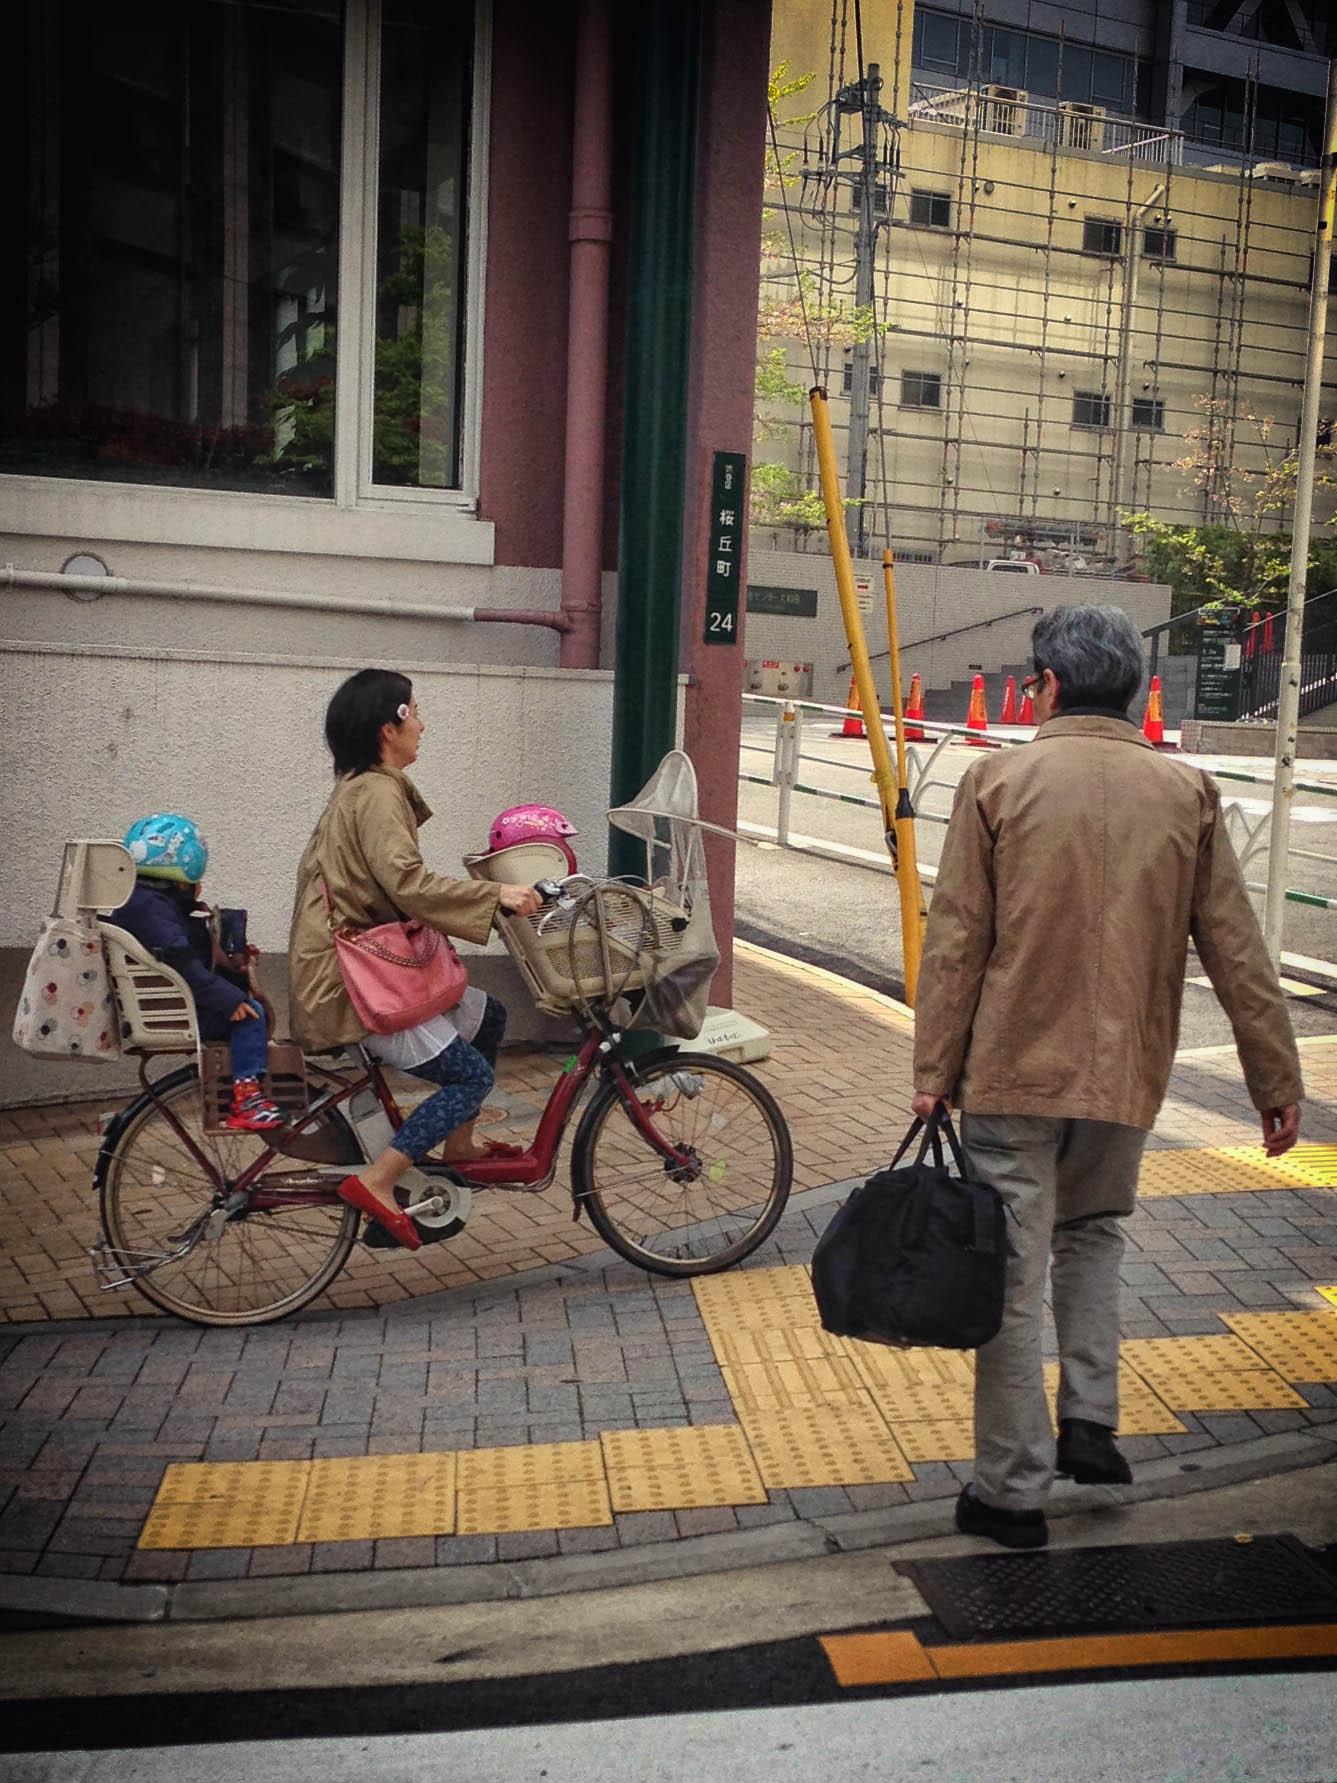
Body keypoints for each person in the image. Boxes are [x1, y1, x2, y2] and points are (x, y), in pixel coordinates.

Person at [911, 604, 1303, 1550]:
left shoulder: (995, 779)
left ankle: (1010, 1492)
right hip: (1126, 1074)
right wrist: (1272, 1078)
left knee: (1009, 1277)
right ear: (1130, 688)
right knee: (1093, 1238)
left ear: (1044, 684)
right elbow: (1236, 949)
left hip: (1011, 1073)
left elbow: (957, 940)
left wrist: (932, 1069)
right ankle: (1092, 1424)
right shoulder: (1185, 791)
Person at [288, 668, 543, 1251]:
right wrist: (494, 894)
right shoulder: (375, 792)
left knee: (491, 1015)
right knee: (470, 1076)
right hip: (353, 985)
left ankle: (458, 1146)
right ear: (389, 727)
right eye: (416, 711)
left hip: (357, 971)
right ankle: (378, 1183)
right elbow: (405, 880)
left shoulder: (362, 787)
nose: (423, 724)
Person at [116, 814, 284, 1131]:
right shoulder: (154, 909)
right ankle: (248, 1101)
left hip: (162, 1000)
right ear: (186, 869)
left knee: (244, 1007)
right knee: (252, 1015)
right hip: (171, 1008)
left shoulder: (139, 902)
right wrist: (229, 999)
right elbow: (181, 962)